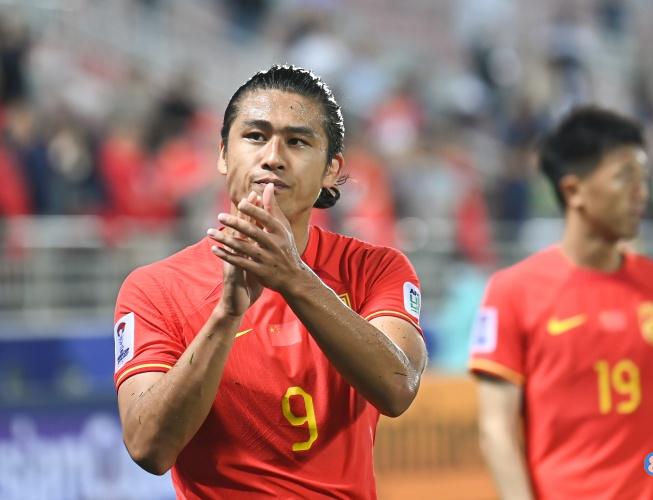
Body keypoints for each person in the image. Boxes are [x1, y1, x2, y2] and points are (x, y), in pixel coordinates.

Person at [113, 65, 427, 499]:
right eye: (255, 136)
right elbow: (148, 448)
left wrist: (294, 278)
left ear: (331, 170)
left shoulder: (376, 269)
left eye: (297, 141)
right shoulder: (154, 289)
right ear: (223, 154)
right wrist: (227, 314)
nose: (273, 156)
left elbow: (398, 388)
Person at [469, 106, 653, 500]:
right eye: (624, 177)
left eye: (644, 178)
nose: (642, 193)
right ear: (574, 191)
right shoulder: (512, 292)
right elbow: (496, 431)